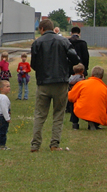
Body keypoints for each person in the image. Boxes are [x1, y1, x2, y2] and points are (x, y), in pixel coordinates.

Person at [29, 18, 81, 151]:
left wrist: (42, 71)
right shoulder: (63, 41)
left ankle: (35, 145)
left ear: (41, 29)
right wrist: (66, 68)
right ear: (53, 28)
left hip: (43, 83)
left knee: (40, 114)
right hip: (60, 82)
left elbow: (33, 64)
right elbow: (75, 58)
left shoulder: (37, 43)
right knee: (58, 114)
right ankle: (54, 144)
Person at [66, 63, 85, 129]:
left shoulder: (71, 77)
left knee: (73, 109)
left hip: (72, 94)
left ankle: (75, 124)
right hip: (79, 95)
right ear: (82, 71)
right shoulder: (81, 78)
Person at [0, 79, 12, 149]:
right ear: (1, 89)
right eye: (7, 86)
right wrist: (7, 118)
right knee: (3, 132)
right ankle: (2, 145)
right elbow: (4, 109)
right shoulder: (4, 98)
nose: (9, 88)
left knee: (0, 131)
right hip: (2, 117)